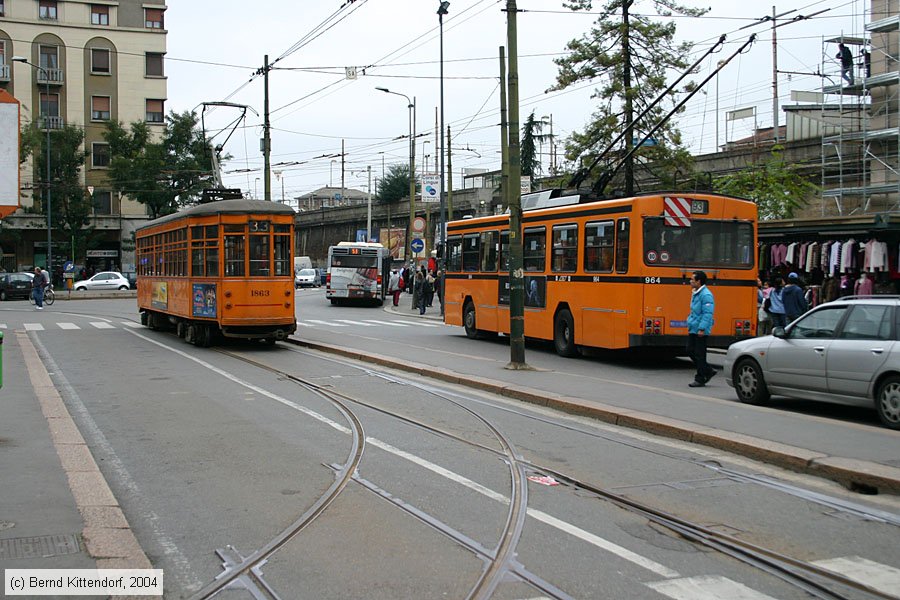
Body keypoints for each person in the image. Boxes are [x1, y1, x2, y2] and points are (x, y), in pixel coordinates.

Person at [686, 270, 715, 388]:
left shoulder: (706, 295)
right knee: (690, 350)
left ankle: (700, 378)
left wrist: (702, 328)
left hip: (700, 329)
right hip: (694, 327)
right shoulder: (696, 293)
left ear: (699, 281)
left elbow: (708, 313)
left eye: (692, 279)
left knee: (700, 354)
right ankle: (707, 370)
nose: (690, 281)